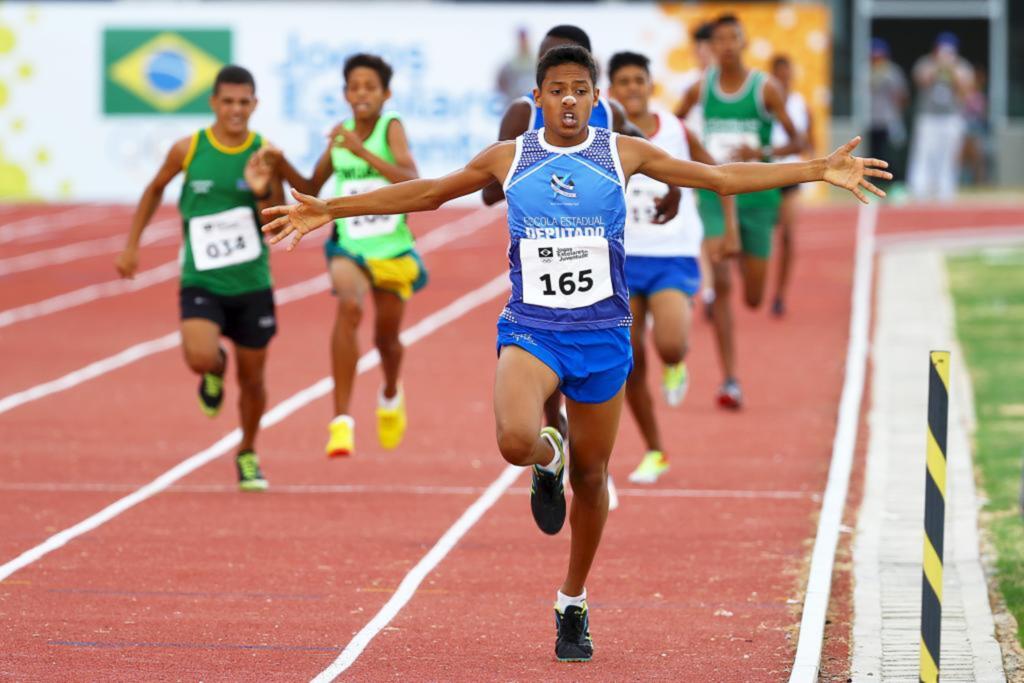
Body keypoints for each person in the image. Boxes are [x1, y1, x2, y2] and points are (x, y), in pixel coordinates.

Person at [260, 46, 888, 662]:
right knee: (513, 439)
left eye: (579, 90)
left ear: (596, 98)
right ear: (537, 99)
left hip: (604, 335)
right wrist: (330, 209)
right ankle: (545, 452)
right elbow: (427, 194)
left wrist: (813, 170)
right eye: (555, 90)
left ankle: (573, 600)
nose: (567, 100)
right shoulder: (510, 158)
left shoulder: (623, 153)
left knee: (592, 480)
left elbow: (719, 178)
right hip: (533, 328)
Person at [482, 23, 680, 438]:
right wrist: (532, 184)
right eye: (550, 75)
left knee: (592, 468)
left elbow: (648, 151)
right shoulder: (523, 114)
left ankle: (568, 442)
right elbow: (485, 191)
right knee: (537, 376)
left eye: (578, 84)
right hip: (539, 290)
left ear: (593, 86)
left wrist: (672, 185)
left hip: (600, 295)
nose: (567, 96)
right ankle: (552, 431)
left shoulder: (610, 117)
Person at [115, 65, 281, 492]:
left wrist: (262, 188)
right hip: (201, 278)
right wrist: (133, 244)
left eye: (244, 102)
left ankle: (247, 450)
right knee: (200, 356)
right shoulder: (188, 149)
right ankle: (214, 369)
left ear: (255, 105)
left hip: (252, 283)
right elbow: (154, 189)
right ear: (213, 103)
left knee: (254, 381)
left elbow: (280, 215)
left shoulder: (265, 152)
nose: (235, 110)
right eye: (227, 101)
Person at [269, 54, 424, 458]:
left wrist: (362, 151)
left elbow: (411, 180)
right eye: (354, 87)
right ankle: (341, 421)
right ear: (344, 93)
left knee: (386, 340)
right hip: (349, 245)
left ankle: (390, 391)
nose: (361, 94)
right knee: (349, 308)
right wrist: (279, 161)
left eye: (369, 87)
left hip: (391, 248)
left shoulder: (391, 128)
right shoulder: (338, 138)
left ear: (386, 94)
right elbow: (308, 185)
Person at [606, 50, 737, 484]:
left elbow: (718, 176)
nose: (631, 89)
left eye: (638, 81)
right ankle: (654, 450)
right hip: (620, 259)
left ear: (650, 85)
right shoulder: (601, 135)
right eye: (622, 82)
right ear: (611, 90)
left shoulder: (676, 130)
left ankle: (677, 363)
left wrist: (728, 228)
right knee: (630, 361)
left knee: (669, 344)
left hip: (671, 256)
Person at [675, 13, 805, 409]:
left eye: (734, 38)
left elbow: (797, 138)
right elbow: (671, 123)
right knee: (723, 282)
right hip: (716, 197)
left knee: (751, 296)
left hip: (759, 201)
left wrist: (761, 152)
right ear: (711, 48)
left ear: (744, 43)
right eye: (720, 40)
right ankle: (730, 379)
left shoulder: (764, 89)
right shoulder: (701, 88)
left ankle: (731, 289)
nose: (727, 46)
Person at [674, 21, 718, 318]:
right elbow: (676, 122)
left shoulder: (728, 84)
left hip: (727, 168)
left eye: (707, 47)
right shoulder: (689, 85)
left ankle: (716, 282)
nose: (702, 53)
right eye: (698, 48)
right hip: (696, 166)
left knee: (720, 234)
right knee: (695, 228)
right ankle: (708, 288)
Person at [768, 54, 814, 317]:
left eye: (787, 74)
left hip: (790, 176)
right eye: (778, 75)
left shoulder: (800, 105)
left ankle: (780, 294)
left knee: (787, 235)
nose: (783, 80)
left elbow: (808, 140)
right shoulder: (764, 104)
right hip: (763, 175)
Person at [907, 32, 974, 202]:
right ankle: (919, 189)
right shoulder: (925, 63)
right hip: (928, 116)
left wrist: (951, 71)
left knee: (949, 155)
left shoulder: (963, 66)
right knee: (924, 153)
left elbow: (966, 92)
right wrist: (938, 67)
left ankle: (945, 190)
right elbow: (922, 80)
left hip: (951, 118)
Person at [868, 38, 908, 189]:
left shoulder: (893, 72)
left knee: (891, 156)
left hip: (889, 120)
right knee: (873, 156)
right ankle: (875, 185)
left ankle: (895, 185)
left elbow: (902, 96)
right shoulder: (866, 71)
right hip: (871, 121)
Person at [495, 28, 536, 105]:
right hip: (514, 104)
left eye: (525, 39)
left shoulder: (537, 62)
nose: (523, 42)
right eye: (521, 39)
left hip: (534, 107)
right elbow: (500, 83)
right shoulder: (509, 64)